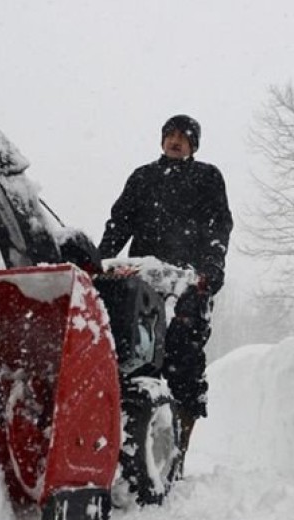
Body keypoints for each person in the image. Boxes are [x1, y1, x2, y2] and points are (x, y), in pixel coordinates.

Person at [98, 114, 233, 459]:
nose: (175, 141)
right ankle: (126, 445)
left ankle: (177, 452)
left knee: (184, 367)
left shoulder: (207, 177)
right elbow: (119, 222)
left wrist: (210, 272)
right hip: (139, 287)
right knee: (130, 363)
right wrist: (97, 262)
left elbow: (219, 227)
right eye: (170, 135)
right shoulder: (143, 178)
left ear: (193, 145)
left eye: (183, 137)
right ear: (161, 140)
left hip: (188, 287)